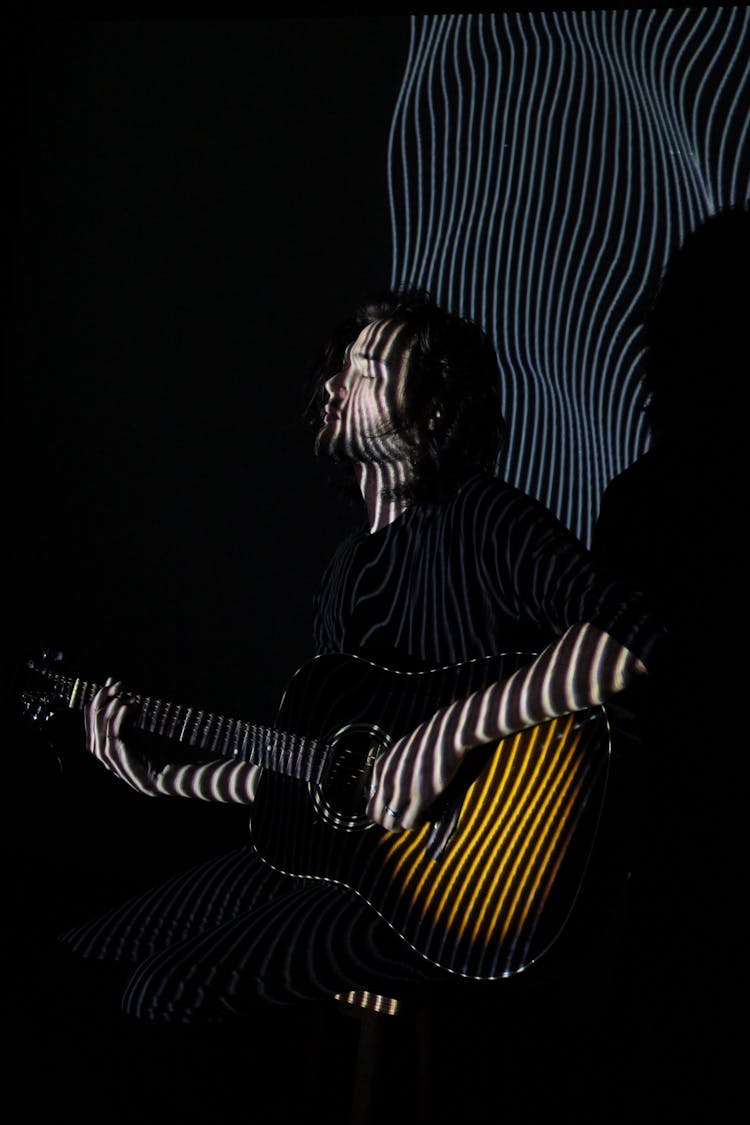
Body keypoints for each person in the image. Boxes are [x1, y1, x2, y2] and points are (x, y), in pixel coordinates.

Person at [58, 290, 666, 1115]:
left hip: (467, 885)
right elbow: (314, 777)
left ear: (438, 404)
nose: (340, 381)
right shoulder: (345, 574)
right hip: (349, 866)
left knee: (160, 991)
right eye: (342, 364)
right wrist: (160, 777)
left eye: (371, 366)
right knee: (85, 952)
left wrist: (455, 729)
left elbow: (634, 636)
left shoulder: (484, 519)